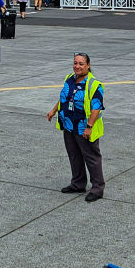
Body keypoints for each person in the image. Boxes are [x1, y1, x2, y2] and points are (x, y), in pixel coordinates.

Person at [46, 52, 104, 202]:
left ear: (88, 65)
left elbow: (96, 108)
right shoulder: (69, 78)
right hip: (69, 125)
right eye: (75, 63)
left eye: (81, 64)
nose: (77, 66)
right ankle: (78, 183)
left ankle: (97, 188)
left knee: (91, 158)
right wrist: (53, 110)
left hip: (84, 127)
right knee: (74, 155)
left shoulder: (94, 84)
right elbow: (64, 97)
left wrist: (89, 126)